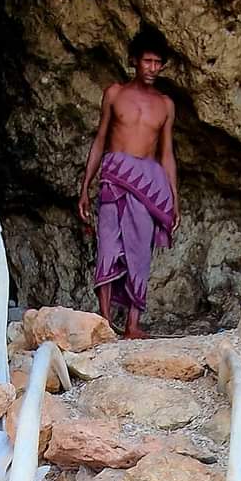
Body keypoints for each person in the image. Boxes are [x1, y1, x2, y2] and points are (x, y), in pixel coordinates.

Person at [78, 27, 180, 339]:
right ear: (134, 61)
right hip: (114, 180)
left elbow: (166, 155)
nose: (152, 68)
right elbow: (99, 140)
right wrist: (85, 186)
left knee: (140, 253)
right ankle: (106, 322)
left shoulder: (165, 105)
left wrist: (174, 199)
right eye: (147, 61)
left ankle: (132, 325)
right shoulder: (115, 93)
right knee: (108, 247)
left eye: (158, 62)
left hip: (148, 184)